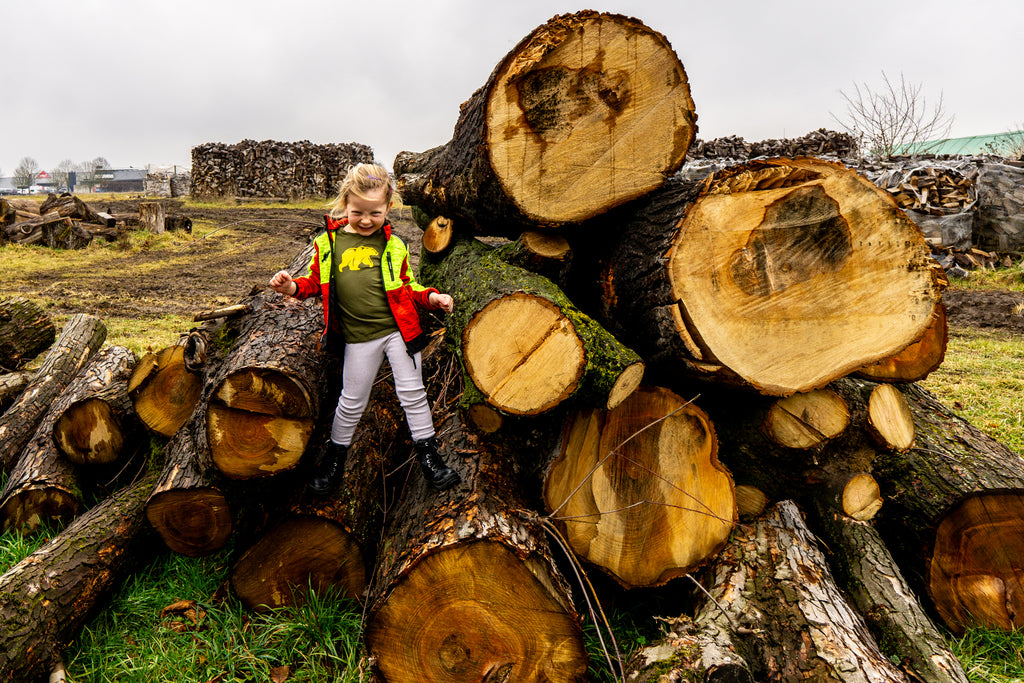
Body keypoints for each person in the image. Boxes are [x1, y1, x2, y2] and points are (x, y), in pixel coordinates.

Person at [269, 163, 460, 494]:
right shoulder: (328, 244)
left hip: (398, 333)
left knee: (412, 394)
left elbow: (408, 286)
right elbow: (314, 282)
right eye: (359, 212)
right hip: (359, 339)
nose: (368, 219)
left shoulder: (394, 245)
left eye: (375, 212)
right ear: (345, 204)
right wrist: (290, 288)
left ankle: (430, 458)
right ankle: (334, 461)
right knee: (352, 399)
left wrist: (432, 298)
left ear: (388, 207)